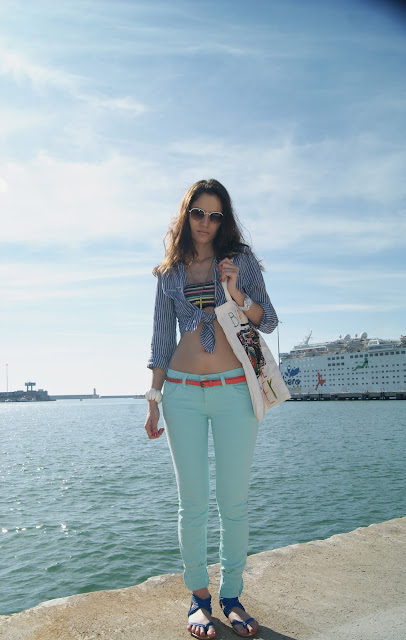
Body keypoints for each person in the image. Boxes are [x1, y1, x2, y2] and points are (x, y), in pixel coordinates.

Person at [145, 179, 278, 638]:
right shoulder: (169, 273)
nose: (205, 222)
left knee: (233, 501)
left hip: (234, 391)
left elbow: (269, 320)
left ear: (224, 220)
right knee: (193, 503)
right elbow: (160, 341)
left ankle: (232, 596)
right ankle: (198, 597)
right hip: (180, 393)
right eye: (198, 213)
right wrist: (154, 401)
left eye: (215, 215)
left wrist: (236, 292)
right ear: (187, 216)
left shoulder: (239, 261)